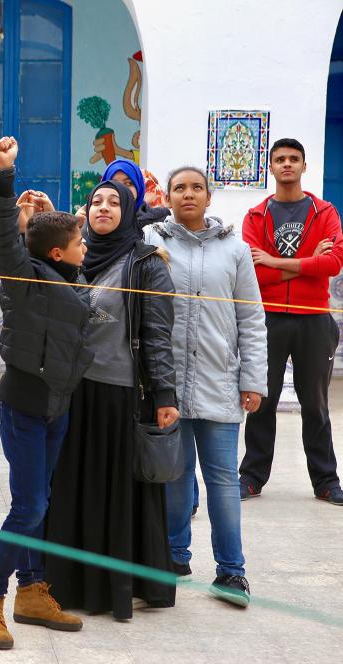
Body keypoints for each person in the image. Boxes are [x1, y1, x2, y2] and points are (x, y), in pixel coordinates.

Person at [0, 137, 89, 650]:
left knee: (40, 503)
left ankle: (33, 590)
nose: (86, 249)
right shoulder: (24, 277)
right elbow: (3, 237)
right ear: (59, 252)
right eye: (77, 242)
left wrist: (49, 215)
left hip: (56, 405)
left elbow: (84, 241)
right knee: (27, 505)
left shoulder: (70, 273)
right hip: (23, 402)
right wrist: (5, 177)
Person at [44, 181, 179, 620]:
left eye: (114, 202)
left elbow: (158, 333)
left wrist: (164, 393)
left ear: (131, 210)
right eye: (96, 201)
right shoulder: (72, 256)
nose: (104, 208)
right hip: (71, 391)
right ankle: (69, 584)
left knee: (114, 490)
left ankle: (114, 588)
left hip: (119, 393)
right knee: (72, 487)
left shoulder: (145, 262)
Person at [142, 166, 267, 608]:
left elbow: (251, 318)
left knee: (222, 481)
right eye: (180, 188)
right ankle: (175, 558)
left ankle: (232, 572)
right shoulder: (153, 243)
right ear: (168, 197)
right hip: (167, 386)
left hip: (220, 383)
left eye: (197, 188)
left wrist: (253, 378)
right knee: (174, 479)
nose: (188, 194)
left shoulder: (235, 250)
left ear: (209, 197)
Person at [239, 138, 343, 505]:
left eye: (293, 159)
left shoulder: (324, 211)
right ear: (270, 167)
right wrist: (303, 264)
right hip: (266, 319)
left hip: (314, 318)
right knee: (260, 401)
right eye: (280, 159)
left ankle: (326, 481)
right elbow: (251, 272)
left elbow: (332, 265)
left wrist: (275, 261)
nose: (287, 164)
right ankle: (251, 477)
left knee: (314, 403)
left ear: (304, 166)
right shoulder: (255, 215)